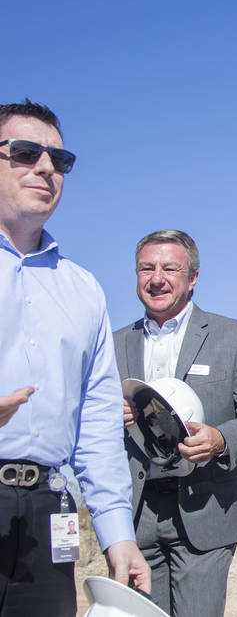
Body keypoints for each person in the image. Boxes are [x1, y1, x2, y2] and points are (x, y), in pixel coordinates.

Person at [0, 99, 150, 614]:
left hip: (49, 513)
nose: (46, 168)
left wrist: (117, 535)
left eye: (59, 160)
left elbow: (98, 423)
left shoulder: (83, 289)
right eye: (25, 152)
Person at [114, 229, 237, 616]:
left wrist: (221, 438)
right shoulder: (113, 343)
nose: (157, 278)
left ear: (193, 277)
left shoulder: (234, 336)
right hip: (135, 514)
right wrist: (108, 415)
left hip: (208, 508)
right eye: (146, 268)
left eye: (170, 268)